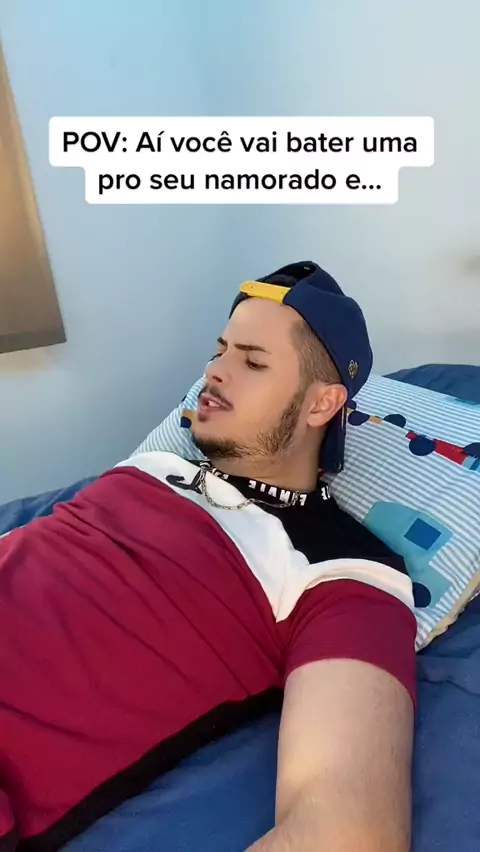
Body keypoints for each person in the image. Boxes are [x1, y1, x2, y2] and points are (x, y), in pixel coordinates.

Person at [0, 261, 416, 852]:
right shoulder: (154, 465)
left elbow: (347, 831)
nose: (214, 372)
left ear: (322, 404)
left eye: (253, 362)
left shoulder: (341, 572)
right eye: (220, 351)